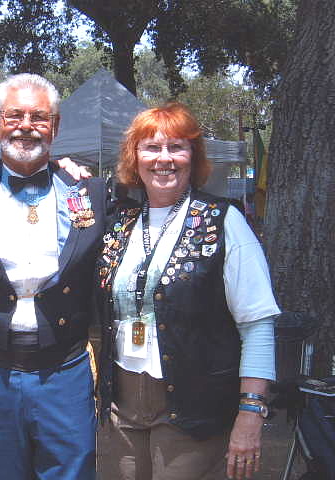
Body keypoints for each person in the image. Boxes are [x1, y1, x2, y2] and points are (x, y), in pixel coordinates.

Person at [95, 103, 280, 480]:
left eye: (176, 147)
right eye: (151, 147)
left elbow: (257, 323)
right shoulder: (119, 225)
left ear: (193, 156)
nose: (164, 158)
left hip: (193, 406)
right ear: (135, 157)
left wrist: (250, 412)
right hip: (122, 406)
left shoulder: (223, 221)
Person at [0, 73, 105, 480]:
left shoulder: (92, 192)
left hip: (65, 366)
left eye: (39, 116)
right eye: (15, 115)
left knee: (72, 472)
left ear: (56, 126)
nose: (26, 126)